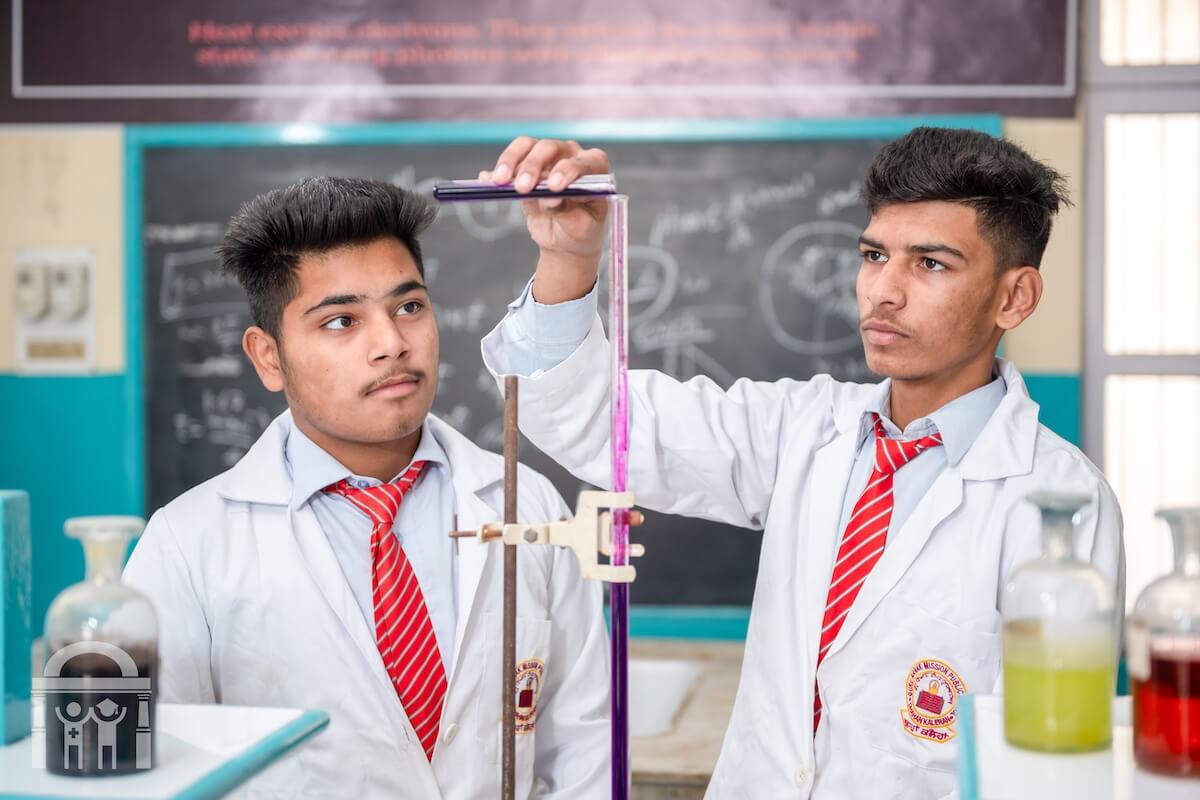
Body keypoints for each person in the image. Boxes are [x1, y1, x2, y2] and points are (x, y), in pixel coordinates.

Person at [477, 128, 1125, 799]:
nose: (885, 291)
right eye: (874, 255)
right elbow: (593, 417)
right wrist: (569, 255)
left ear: (1014, 298)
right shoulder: (801, 430)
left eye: (931, 264)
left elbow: (1055, 760)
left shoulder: (1060, 500)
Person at [123, 177, 610, 799]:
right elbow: (159, 767)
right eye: (342, 321)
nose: (392, 344)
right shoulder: (186, 546)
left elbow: (582, 742)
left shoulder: (525, 500)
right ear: (268, 357)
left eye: (408, 307)